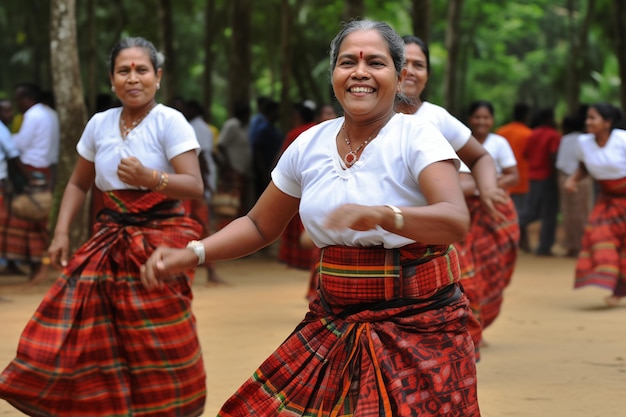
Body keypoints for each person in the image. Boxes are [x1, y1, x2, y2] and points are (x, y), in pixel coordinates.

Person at [142, 20, 480, 416]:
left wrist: (384, 215)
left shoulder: (418, 137)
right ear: (334, 75)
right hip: (333, 321)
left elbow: (454, 218)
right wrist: (194, 253)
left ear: (400, 75)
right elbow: (258, 225)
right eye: (347, 62)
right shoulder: (309, 144)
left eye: (375, 62)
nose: (360, 72)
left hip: (419, 325)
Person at [0, 37, 207, 416]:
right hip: (109, 235)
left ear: (157, 77)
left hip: (161, 235)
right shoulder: (99, 124)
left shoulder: (170, 121)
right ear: (112, 79)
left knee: (156, 331)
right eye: (123, 70)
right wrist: (61, 232)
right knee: (76, 316)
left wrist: (151, 178)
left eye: (141, 70)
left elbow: (194, 185)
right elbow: (78, 183)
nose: (133, 78)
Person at [396, 35, 508, 219]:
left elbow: (480, 157)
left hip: (425, 227)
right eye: (403, 63)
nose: (410, 71)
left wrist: (487, 189)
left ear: (427, 75)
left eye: (419, 65)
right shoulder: (371, 117)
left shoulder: (436, 117)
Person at [454, 100, 520, 357]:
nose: (481, 122)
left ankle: (480, 322)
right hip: (465, 211)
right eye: (477, 117)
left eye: (486, 117)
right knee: (469, 274)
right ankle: (471, 327)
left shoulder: (499, 143)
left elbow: (513, 175)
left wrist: (487, 185)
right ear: (470, 119)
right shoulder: (457, 142)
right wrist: (475, 187)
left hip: (494, 210)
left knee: (495, 265)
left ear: (492, 120)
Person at [565, 102, 626, 308]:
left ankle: (619, 290)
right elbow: (584, 167)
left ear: (607, 122)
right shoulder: (584, 142)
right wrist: (573, 179)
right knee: (600, 238)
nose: (588, 122)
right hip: (607, 199)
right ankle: (614, 283)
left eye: (593, 118)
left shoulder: (622, 139)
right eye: (588, 118)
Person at [6, 82, 59, 283]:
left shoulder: (32, 115)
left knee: (29, 219)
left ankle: (37, 266)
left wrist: (6, 137)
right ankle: (38, 265)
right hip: (46, 170)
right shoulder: (51, 114)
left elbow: (19, 145)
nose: (17, 104)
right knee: (40, 219)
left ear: (26, 98)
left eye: (18, 99)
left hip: (30, 170)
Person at [185, 99, 225, 285]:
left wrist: (204, 183)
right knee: (200, 226)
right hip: (182, 187)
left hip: (191, 187)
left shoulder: (188, 127)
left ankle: (210, 270)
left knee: (202, 225)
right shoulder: (189, 126)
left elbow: (199, 158)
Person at [277, 100, 318, 270]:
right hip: (314, 182)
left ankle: (296, 259)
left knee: (295, 221)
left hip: (299, 182)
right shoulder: (319, 130)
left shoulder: (295, 133)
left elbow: (283, 158)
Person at [519, 108, 561, 256]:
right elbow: (553, 155)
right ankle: (544, 247)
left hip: (533, 176)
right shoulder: (553, 135)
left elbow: (525, 154)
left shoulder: (532, 134)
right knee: (549, 213)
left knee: (532, 209)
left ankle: (518, 224)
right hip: (547, 177)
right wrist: (556, 178)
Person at [556, 113, 592, 257]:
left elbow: (560, 162)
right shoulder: (586, 140)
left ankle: (573, 245)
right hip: (582, 179)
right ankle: (582, 245)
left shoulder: (565, 139)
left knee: (568, 212)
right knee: (583, 213)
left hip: (565, 177)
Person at [214, 102, 253, 226]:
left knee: (239, 201)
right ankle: (225, 227)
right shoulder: (232, 125)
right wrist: (228, 165)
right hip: (233, 168)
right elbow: (221, 145)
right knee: (229, 201)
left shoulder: (245, 127)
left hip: (242, 169)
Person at [496, 103, 533, 222]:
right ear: (526, 116)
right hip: (523, 180)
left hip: (502, 181)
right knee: (521, 215)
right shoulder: (529, 134)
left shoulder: (501, 132)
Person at [0, 99, 21, 277]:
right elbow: (13, 155)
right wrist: (30, 179)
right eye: (6, 111)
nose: (10, 114)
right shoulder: (2, 130)